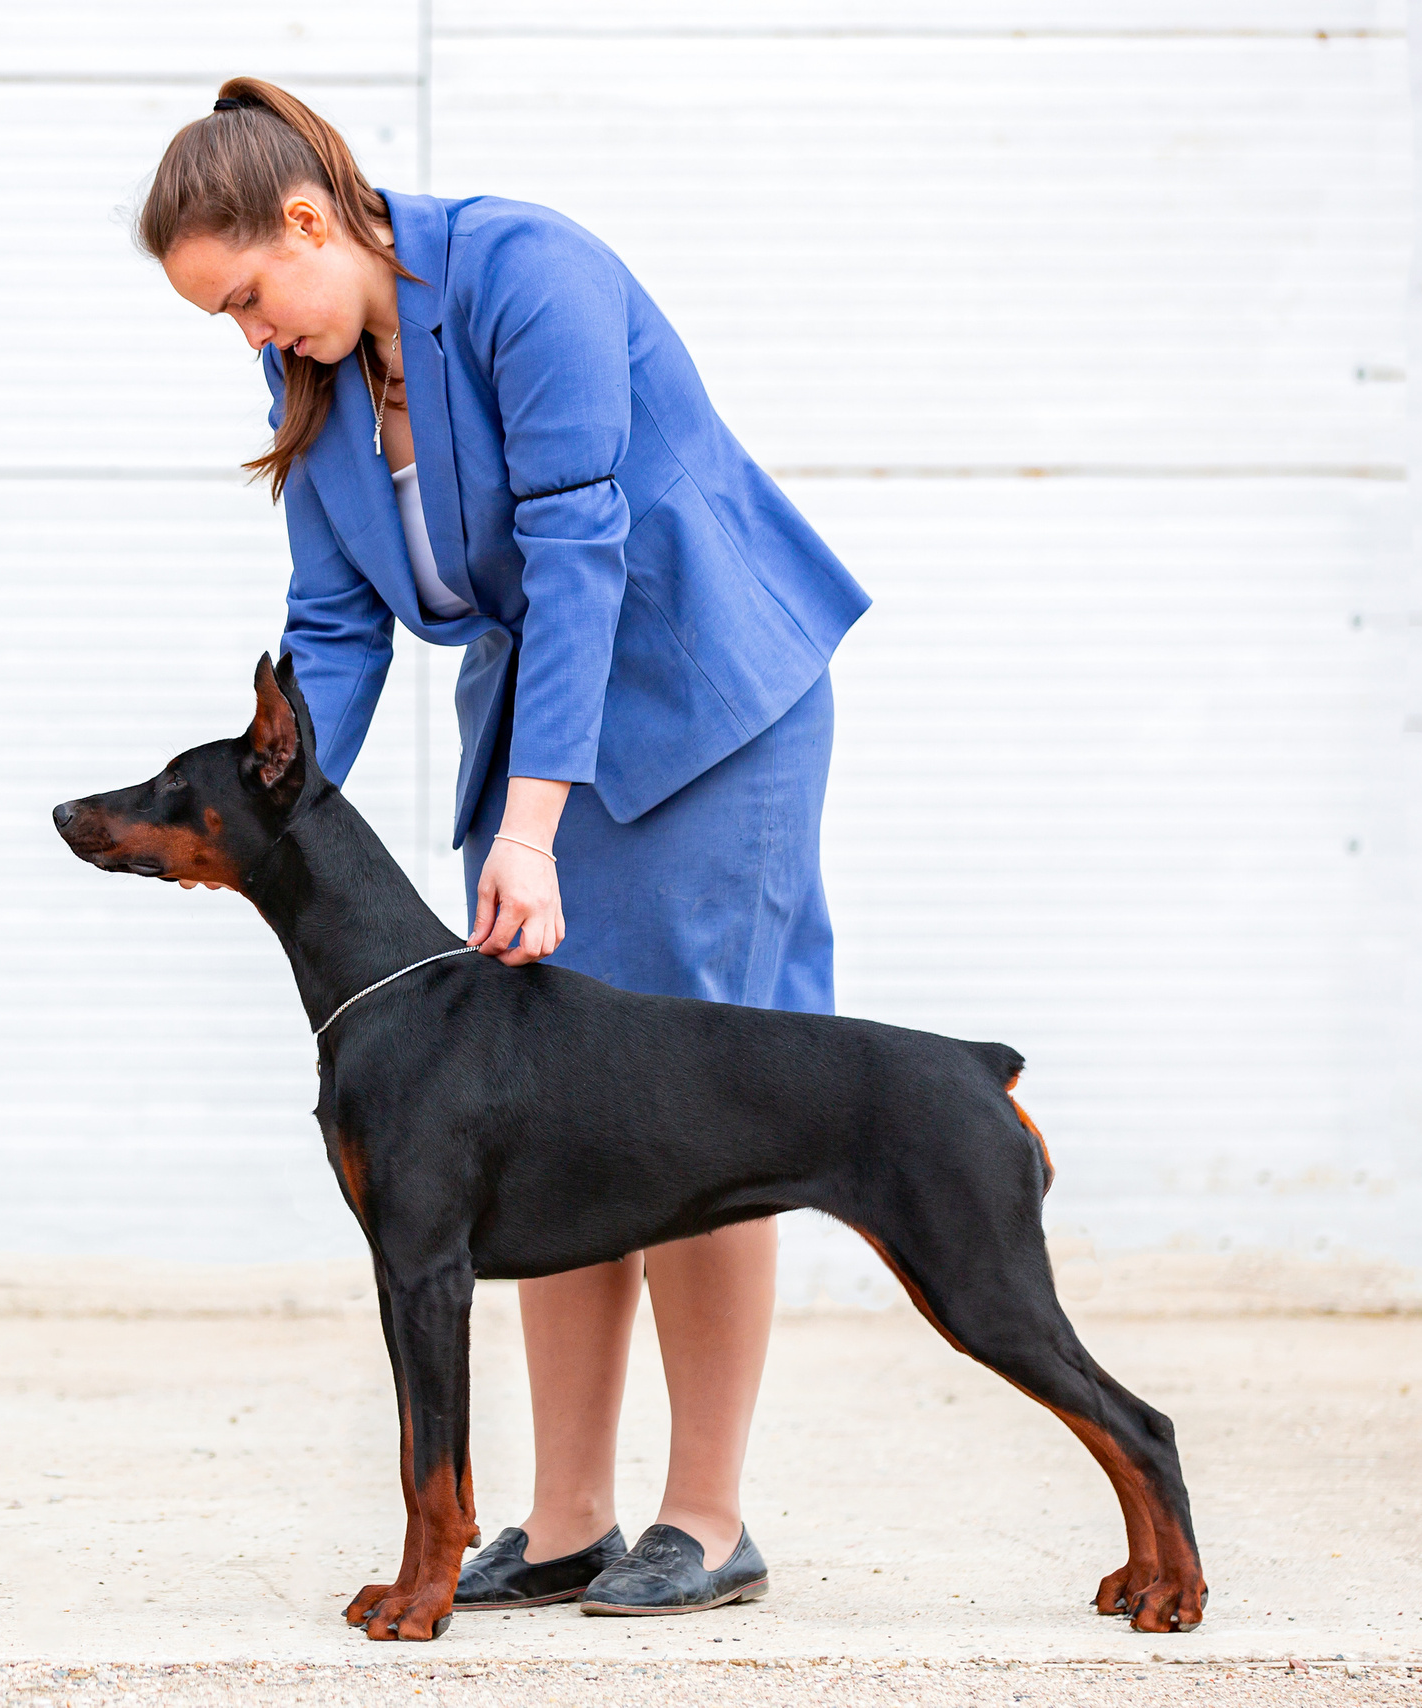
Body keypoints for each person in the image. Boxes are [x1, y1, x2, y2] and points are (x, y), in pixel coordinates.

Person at [134, 77, 869, 1616]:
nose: (254, 337)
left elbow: (581, 554)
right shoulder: (318, 379)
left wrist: (528, 829)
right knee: (547, 1111)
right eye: (225, 322)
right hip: (541, 712)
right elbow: (332, 625)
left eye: (253, 295)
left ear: (310, 218)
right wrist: (272, 830)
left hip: (704, 697)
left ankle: (708, 1514)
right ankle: (566, 1517)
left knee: (702, 1096)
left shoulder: (530, 276)